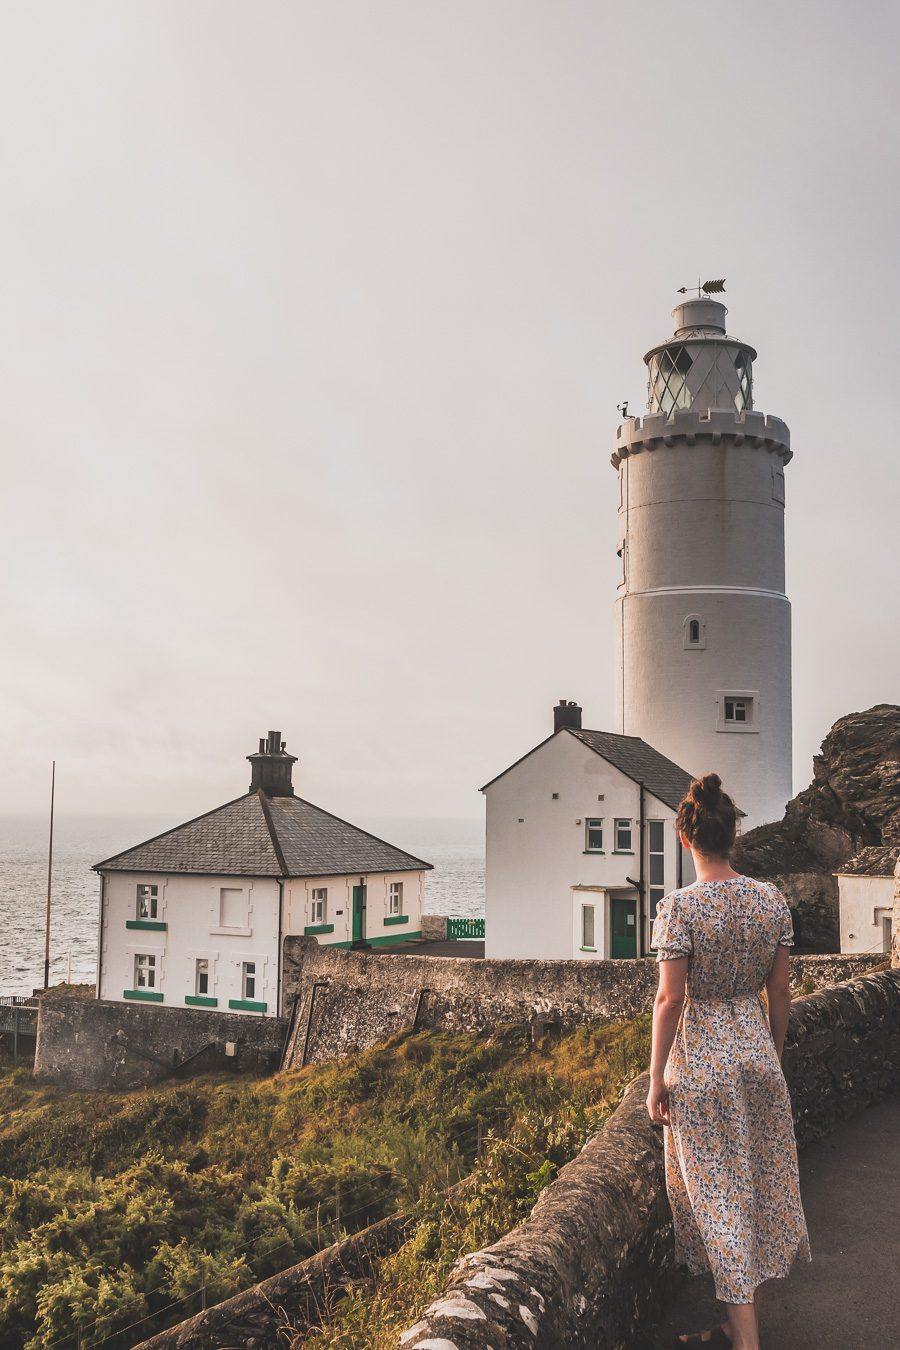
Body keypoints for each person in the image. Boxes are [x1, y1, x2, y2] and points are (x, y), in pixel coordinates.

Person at [646, 773, 810, 1350]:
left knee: (719, 1202)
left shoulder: (680, 909)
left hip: (703, 1061)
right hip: (757, 1054)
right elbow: (782, 993)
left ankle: (747, 1343)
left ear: (686, 840)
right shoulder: (770, 900)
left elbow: (669, 999)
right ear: (732, 835)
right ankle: (738, 1324)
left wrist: (654, 1079)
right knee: (756, 1191)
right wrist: (774, 1052)